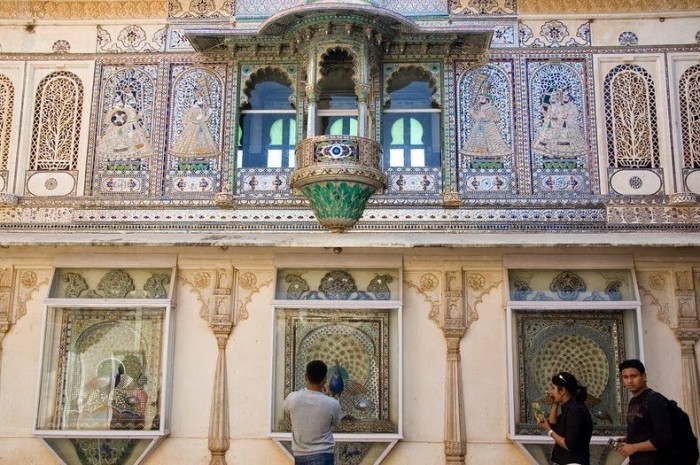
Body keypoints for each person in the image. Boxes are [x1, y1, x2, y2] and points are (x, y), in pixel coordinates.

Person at [283, 360, 342, 465]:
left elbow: (286, 408)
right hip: (324, 455)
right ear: (325, 379)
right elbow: (336, 423)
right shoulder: (332, 403)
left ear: (306, 377)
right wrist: (326, 397)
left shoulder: (292, 398)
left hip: (300, 455)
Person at [616, 359, 672, 464]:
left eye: (633, 376)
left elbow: (663, 438)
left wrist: (633, 447)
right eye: (625, 377)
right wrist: (629, 439)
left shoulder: (654, 400)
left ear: (644, 376)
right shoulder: (633, 401)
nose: (629, 381)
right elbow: (645, 431)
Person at [536, 371, 593, 465]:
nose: (550, 391)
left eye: (553, 388)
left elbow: (568, 444)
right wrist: (555, 403)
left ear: (562, 391)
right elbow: (553, 425)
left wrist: (548, 430)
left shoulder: (575, 410)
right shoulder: (569, 407)